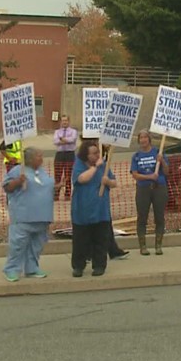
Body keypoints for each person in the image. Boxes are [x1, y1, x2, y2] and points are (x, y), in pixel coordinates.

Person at [2, 147, 57, 281]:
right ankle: (12, 269)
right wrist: (17, 182)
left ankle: (32, 268)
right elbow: (7, 187)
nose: (41, 158)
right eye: (39, 156)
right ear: (30, 158)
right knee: (18, 245)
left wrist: (57, 186)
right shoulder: (17, 171)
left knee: (36, 246)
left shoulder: (41, 172)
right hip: (24, 217)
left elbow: (43, 187)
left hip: (42, 217)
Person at [71, 142, 116, 277]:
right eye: (94, 153)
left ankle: (99, 265)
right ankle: (78, 266)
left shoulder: (104, 166)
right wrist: (95, 167)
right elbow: (82, 179)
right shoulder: (79, 165)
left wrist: (107, 181)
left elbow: (114, 183)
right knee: (80, 241)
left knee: (100, 240)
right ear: (86, 155)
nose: (97, 155)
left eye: (98, 152)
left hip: (100, 211)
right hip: (82, 212)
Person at [131, 131, 170, 255]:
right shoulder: (136, 156)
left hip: (159, 187)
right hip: (143, 189)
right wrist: (149, 177)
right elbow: (135, 174)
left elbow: (167, 171)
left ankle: (158, 245)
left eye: (145, 137)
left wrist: (162, 161)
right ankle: (143, 246)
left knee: (159, 216)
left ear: (149, 139)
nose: (143, 140)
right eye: (141, 138)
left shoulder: (158, 152)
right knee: (142, 217)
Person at [53, 115, 79, 200]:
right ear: (60, 122)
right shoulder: (57, 131)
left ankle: (67, 195)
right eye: (63, 121)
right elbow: (55, 141)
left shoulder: (73, 131)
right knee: (57, 175)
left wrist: (62, 140)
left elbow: (73, 139)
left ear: (69, 121)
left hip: (69, 154)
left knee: (68, 175)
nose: (64, 122)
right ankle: (56, 194)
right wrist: (66, 140)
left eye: (66, 121)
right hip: (59, 154)